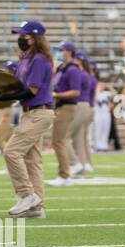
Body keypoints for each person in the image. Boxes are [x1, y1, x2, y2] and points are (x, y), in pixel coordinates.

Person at [0, 21, 56, 218]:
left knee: (11, 152)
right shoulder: (26, 59)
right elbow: (19, 87)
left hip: (39, 112)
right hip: (30, 112)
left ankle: (26, 195)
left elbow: (31, 90)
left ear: (35, 38)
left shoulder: (39, 60)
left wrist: (4, 98)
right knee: (32, 161)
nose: (20, 38)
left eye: (24, 35)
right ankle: (37, 208)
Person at [48, 42, 86, 187]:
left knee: (59, 141)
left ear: (69, 52)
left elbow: (76, 92)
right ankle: (66, 172)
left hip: (67, 107)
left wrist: (56, 94)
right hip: (61, 106)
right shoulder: (63, 68)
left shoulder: (73, 69)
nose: (58, 52)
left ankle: (65, 175)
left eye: (61, 50)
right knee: (58, 141)